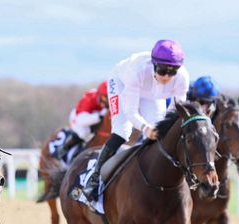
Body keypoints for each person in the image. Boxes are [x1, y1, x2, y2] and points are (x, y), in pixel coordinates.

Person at [75, 39, 190, 204]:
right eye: (163, 70)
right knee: (122, 131)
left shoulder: (183, 77)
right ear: (154, 64)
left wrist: (159, 129)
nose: (166, 76)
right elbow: (130, 112)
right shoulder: (137, 70)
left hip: (151, 94)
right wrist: (145, 128)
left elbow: (175, 111)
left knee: (161, 133)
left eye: (172, 72)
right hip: (122, 84)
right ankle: (93, 179)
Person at [56, 81, 109, 162]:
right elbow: (82, 120)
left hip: (93, 117)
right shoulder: (89, 98)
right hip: (78, 118)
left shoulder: (104, 101)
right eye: (105, 98)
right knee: (84, 133)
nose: (106, 102)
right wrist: (99, 116)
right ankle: (64, 148)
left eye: (108, 98)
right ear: (99, 95)